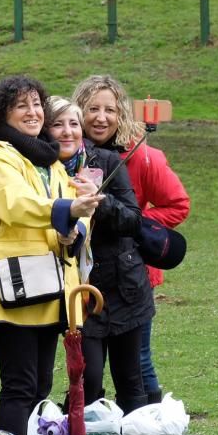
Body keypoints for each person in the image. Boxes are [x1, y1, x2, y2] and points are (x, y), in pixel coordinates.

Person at [0, 76, 102, 435]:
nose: (33, 113)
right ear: (2, 113)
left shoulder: (54, 165)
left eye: (37, 105)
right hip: (16, 290)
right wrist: (65, 210)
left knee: (40, 384)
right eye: (21, 106)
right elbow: (13, 204)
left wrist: (73, 228)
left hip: (54, 292)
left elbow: (72, 225)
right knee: (20, 384)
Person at [72, 75, 190, 404]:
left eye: (110, 109)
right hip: (83, 276)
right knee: (87, 370)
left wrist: (136, 226)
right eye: (92, 108)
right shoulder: (68, 153)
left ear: (121, 113)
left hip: (130, 273)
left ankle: (145, 429)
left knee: (137, 364)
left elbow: (178, 204)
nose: (101, 117)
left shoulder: (141, 156)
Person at [46, 95, 153, 418]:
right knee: (87, 378)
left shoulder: (106, 161)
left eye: (74, 124)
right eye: (58, 125)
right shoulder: (40, 169)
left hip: (125, 287)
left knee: (131, 378)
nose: (68, 132)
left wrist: (100, 202)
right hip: (80, 290)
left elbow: (133, 220)